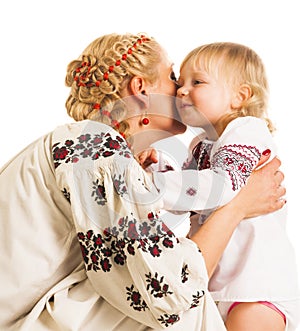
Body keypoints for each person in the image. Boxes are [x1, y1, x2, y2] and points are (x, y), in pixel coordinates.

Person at [0, 33, 286, 331]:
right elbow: (169, 291)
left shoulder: (91, 148)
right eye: (174, 77)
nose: (181, 91)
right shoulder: (95, 147)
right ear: (141, 88)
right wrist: (237, 206)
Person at [162, 42, 299, 331]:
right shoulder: (201, 144)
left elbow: (221, 187)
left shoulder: (246, 131)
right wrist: (156, 168)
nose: (182, 90)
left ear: (240, 97)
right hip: (220, 286)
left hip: (257, 287)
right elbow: (190, 198)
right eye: (181, 82)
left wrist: (151, 183)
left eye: (196, 82)